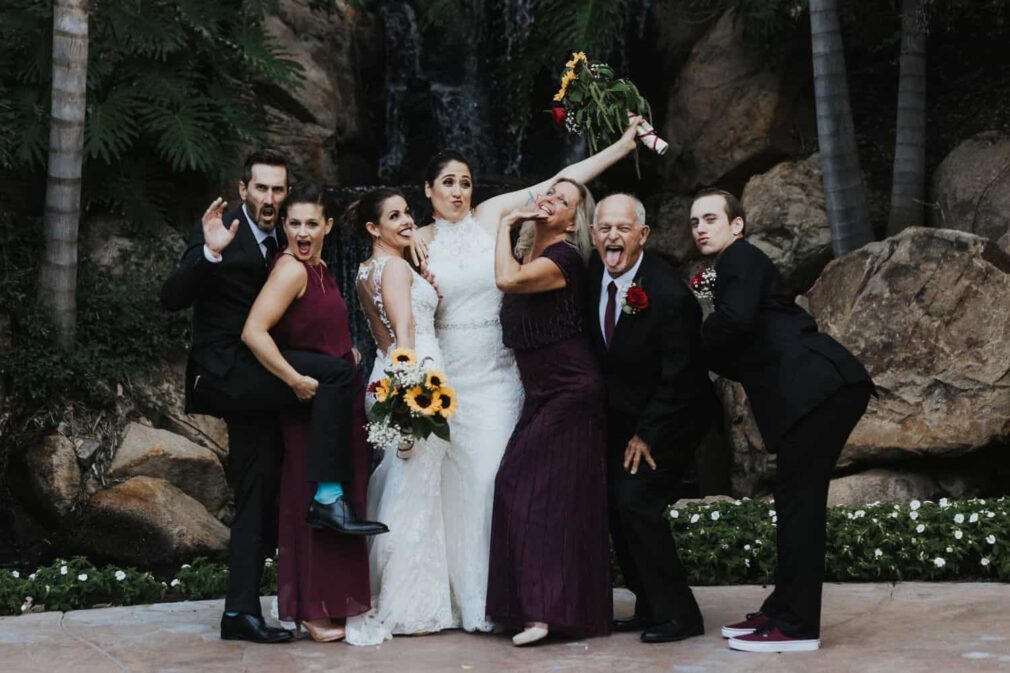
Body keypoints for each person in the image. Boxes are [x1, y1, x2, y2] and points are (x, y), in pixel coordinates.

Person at [410, 118, 644, 632]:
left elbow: (566, 178)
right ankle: (468, 597)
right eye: (447, 182)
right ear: (427, 191)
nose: (457, 190)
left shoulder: (494, 216)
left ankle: (513, 600)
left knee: (501, 480)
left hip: (505, 373)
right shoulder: (417, 239)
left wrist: (623, 146)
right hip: (451, 372)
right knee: (457, 487)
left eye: (465, 181)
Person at [160, 150, 385, 644]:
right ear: (243, 190)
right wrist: (210, 253)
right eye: (260, 188)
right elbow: (172, 297)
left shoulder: (288, 244)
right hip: (229, 371)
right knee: (334, 377)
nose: (268, 198)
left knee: (259, 492)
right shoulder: (223, 231)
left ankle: (243, 611)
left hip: (261, 382)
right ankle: (330, 496)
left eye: (277, 190)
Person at [689, 187, 874, 653]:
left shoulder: (740, 259)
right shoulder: (735, 268)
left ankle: (796, 624)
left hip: (819, 390)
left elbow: (731, 324)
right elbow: (742, 349)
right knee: (794, 503)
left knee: (799, 505)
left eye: (711, 218)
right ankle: (784, 608)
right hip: (820, 391)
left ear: (737, 226)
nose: (701, 228)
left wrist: (685, 343)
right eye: (694, 222)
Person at [240, 182, 374, 642]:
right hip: (309, 410)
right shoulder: (290, 271)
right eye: (293, 223)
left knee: (334, 505)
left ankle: (329, 604)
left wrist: (349, 353)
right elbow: (255, 332)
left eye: (311, 223)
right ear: (283, 226)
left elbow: (319, 330)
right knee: (312, 501)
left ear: (327, 227)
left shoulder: (319, 269)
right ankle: (311, 611)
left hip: (335, 408)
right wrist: (293, 379)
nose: (301, 231)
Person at [589, 193, 719, 644]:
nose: (612, 236)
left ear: (642, 235)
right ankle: (648, 606)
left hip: (674, 417)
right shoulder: (592, 279)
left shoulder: (666, 294)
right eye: (604, 227)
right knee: (613, 505)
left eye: (623, 228)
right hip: (622, 417)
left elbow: (681, 376)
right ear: (592, 234)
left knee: (637, 502)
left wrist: (647, 435)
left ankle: (681, 615)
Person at [486, 178, 611, 646]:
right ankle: (529, 608)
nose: (551, 201)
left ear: (573, 220)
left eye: (564, 200)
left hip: (571, 392)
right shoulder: (527, 256)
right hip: (542, 395)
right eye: (550, 193)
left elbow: (506, 281)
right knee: (535, 493)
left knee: (525, 487)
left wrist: (504, 222)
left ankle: (542, 614)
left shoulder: (563, 259)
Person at [344, 188, 456, 645]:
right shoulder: (392, 266)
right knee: (416, 494)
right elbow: (404, 330)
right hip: (411, 378)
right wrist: (410, 393)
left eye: (407, 212)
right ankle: (407, 604)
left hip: (382, 374)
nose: (407, 220)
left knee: (401, 483)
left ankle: (380, 589)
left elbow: (381, 331)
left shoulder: (365, 270)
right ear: (373, 229)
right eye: (395, 216)